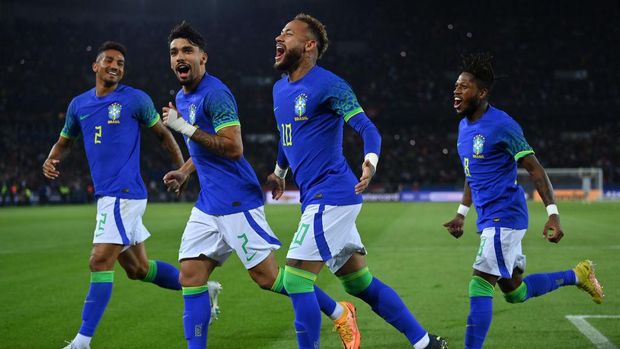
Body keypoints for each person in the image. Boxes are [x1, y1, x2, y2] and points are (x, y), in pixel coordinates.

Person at [160, 22, 359, 349]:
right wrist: (184, 170)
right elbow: (203, 148)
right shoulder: (183, 98)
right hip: (209, 203)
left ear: (202, 57)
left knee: (270, 279)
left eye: (187, 51)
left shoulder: (216, 94)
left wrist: (183, 127)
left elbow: (233, 146)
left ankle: (339, 311)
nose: (180, 57)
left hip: (237, 201)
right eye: (174, 52)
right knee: (191, 278)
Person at [267, 13, 448, 349]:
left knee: (295, 279)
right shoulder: (280, 89)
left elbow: (368, 128)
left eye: (288, 34)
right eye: (280, 32)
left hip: (331, 196)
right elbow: (285, 135)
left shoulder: (330, 85)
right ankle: (426, 343)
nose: (279, 37)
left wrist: (370, 162)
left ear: (309, 46)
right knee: (358, 283)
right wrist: (279, 173)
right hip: (319, 198)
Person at [41, 41, 213, 349]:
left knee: (98, 261)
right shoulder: (78, 105)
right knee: (138, 270)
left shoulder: (135, 100)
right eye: (109, 61)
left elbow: (164, 135)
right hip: (108, 196)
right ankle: (202, 288)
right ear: (96, 66)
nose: (115, 66)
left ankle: (82, 341)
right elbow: (64, 141)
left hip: (124, 194)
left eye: (120, 63)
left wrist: (181, 171)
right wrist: (52, 158)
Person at [443, 52, 605, 349]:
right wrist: (461, 212)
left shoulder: (503, 125)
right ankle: (577, 274)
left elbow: (535, 169)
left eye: (464, 86)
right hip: (490, 218)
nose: (456, 91)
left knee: (479, 282)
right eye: (455, 86)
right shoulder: (463, 126)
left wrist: (553, 214)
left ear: (482, 92)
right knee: (514, 291)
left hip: (504, 216)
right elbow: (472, 172)